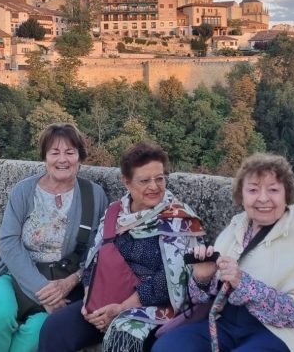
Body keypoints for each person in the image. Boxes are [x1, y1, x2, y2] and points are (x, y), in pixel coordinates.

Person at [153, 153, 294, 352]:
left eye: (273, 190)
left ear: (287, 194)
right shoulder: (236, 227)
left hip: (282, 332)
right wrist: (202, 278)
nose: (263, 198)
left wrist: (244, 284)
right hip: (227, 323)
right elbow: (202, 299)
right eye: (253, 190)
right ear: (241, 196)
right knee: (167, 347)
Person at [39, 141, 205, 352]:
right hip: (105, 300)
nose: (154, 186)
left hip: (152, 307)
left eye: (159, 178)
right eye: (144, 180)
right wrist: (90, 301)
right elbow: (94, 260)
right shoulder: (114, 213)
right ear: (126, 182)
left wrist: (122, 308)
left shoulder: (179, 219)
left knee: (123, 338)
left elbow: (171, 280)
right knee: (55, 328)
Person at [0, 123, 110, 352]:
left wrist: (70, 282)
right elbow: (8, 242)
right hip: (15, 275)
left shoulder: (94, 195)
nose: (63, 160)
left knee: (37, 333)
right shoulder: (24, 191)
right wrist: (42, 290)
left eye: (70, 152)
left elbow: (97, 252)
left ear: (80, 157)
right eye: (55, 152)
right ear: (45, 157)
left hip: (63, 283)